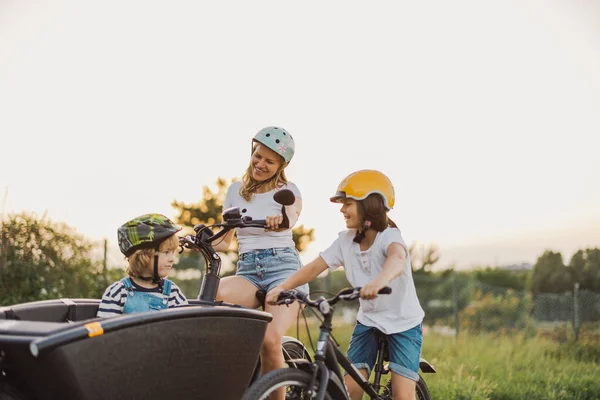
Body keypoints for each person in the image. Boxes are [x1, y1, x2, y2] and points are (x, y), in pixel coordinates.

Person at [267, 169, 425, 400]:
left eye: (348, 203)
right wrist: (283, 286)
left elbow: (396, 259)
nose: (342, 210)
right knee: (349, 391)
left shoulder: (389, 237)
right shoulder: (346, 240)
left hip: (403, 324)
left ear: (370, 205)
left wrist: (379, 281)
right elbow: (314, 266)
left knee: (402, 396)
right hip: (369, 321)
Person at [212, 126, 308, 389]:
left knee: (270, 339)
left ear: (281, 165)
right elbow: (225, 239)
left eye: (269, 161)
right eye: (257, 156)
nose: (260, 164)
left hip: (284, 270)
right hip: (248, 271)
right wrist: (201, 241)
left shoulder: (289, 190)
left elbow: (290, 219)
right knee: (210, 300)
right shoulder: (235, 191)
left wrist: (280, 220)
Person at [96, 213, 188, 318]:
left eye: (173, 252)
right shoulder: (118, 292)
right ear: (144, 255)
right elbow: (106, 332)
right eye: (166, 252)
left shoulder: (173, 293)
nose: (172, 259)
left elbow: (184, 329)